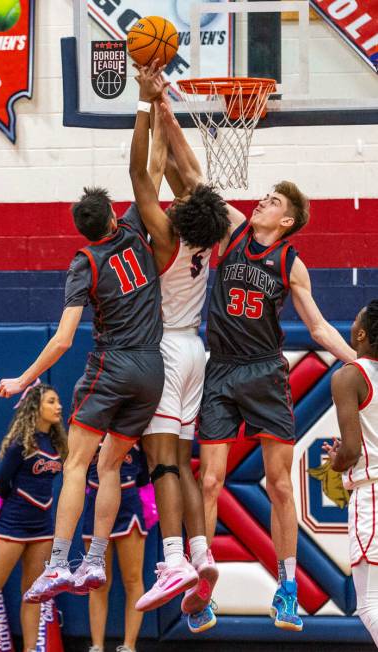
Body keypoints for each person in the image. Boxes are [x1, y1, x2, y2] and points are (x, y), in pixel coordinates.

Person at [159, 99, 357, 631]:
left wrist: (358, 359)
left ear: (286, 220)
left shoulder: (291, 263)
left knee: (280, 484)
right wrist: (167, 117)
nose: (262, 201)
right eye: (264, 197)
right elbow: (198, 180)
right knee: (210, 481)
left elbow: (316, 327)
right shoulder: (235, 231)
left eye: (271, 201)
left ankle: (287, 589)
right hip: (221, 369)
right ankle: (206, 584)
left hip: (267, 372)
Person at [0, 167, 166, 600]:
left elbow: (63, 339)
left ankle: (58, 564)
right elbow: (153, 170)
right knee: (110, 466)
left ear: (82, 230)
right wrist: (155, 111)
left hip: (113, 366)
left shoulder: (84, 262)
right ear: (112, 214)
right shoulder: (133, 225)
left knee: (76, 466)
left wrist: (23, 380)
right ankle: (94, 560)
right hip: (152, 371)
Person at [129, 64, 229, 628]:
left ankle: (171, 560)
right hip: (197, 351)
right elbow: (185, 174)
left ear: (177, 211)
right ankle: (200, 553)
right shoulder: (207, 236)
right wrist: (167, 109)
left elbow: (142, 177)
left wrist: (144, 108)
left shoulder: (165, 236)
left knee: (161, 461)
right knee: (185, 464)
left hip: (166, 349)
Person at [0, 383, 66, 652]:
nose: (58, 406)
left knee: (34, 594)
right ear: (35, 407)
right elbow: (3, 483)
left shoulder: (58, 443)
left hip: (43, 526)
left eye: (58, 401)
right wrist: (14, 506)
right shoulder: (21, 444)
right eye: (51, 401)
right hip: (13, 522)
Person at [323, 300, 378, 647]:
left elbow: (354, 450)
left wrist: (337, 461)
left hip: (372, 494)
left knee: (369, 605)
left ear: (360, 333)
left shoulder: (348, 376)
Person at [83, 443, 148, 652]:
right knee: (97, 581)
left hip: (128, 506)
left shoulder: (137, 430)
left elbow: (144, 476)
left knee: (132, 579)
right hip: (95, 506)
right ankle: (97, 646)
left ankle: (129, 646)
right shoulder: (89, 430)